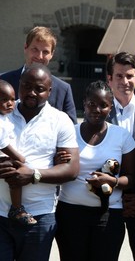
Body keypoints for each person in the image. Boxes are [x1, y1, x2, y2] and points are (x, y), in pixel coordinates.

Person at [0, 64, 79, 261]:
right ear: (19, 85)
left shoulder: (60, 120)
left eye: (39, 89)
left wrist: (33, 175)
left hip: (40, 217)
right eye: (26, 86)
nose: (31, 92)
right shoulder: (3, 113)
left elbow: (72, 169)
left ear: (50, 91)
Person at [55, 80, 135, 261]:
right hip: (70, 214)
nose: (97, 109)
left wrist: (112, 181)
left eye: (104, 105)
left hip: (108, 216)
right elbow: (56, 168)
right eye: (92, 104)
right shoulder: (69, 132)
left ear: (110, 107)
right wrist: (57, 162)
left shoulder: (121, 136)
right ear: (84, 103)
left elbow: (131, 178)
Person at [106, 52, 135, 261]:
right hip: (107, 203)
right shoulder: (100, 113)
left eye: (130, 76)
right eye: (119, 76)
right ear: (109, 79)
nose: (125, 82)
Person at [0, 26, 77, 123]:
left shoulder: (62, 90)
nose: (39, 56)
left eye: (45, 52)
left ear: (52, 54)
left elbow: (70, 130)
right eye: (35, 49)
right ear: (25, 48)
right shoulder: (3, 81)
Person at [0, 80, 33, 225]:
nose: (10, 104)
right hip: (3, 157)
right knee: (16, 169)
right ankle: (17, 208)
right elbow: (3, 144)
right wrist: (19, 157)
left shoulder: (5, 118)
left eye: (13, 99)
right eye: (4, 100)